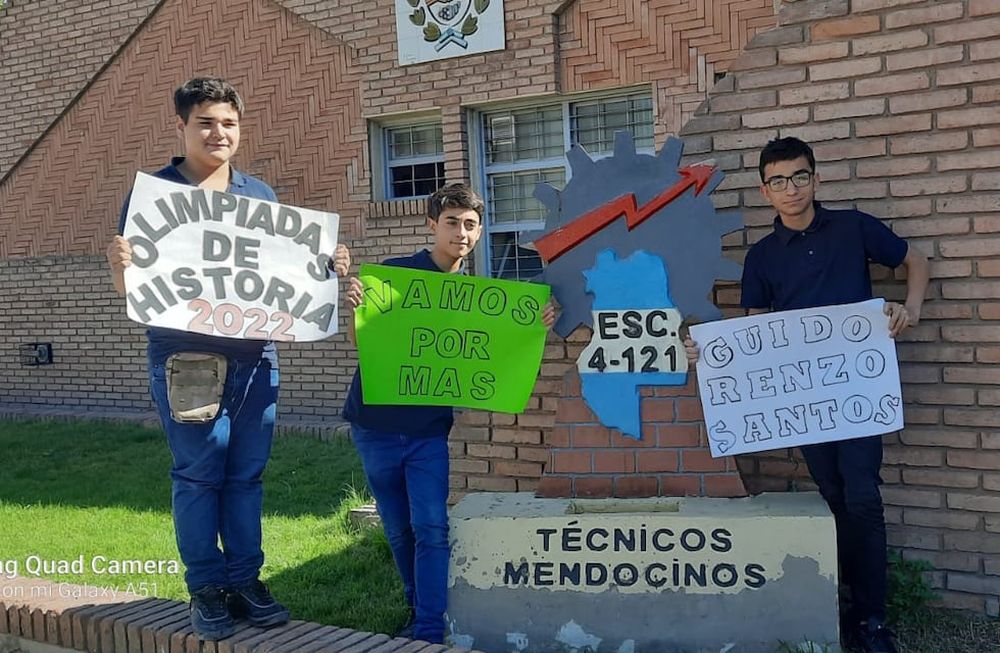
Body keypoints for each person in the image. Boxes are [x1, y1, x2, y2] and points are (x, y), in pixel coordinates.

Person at [105, 77, 350, 640]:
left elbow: (281, 271)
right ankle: (207, 589)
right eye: (206, 122)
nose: (219, 133)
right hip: (185, 355)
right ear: (182, 127)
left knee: (246, 474)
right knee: (199, 472)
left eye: (229, 123)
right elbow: (133, 291)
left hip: (255, 355)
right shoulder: (154, 195)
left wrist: (325, 264)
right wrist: (120, 266)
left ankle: (245, 581)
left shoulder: (259, 196)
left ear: (241, 128)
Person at [685, 137, 929, 653]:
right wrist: (713, 354)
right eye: (778, 181)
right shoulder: (763, 257)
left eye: (799, 177)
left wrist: (911, 308)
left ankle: (873, 621)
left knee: (863, 499)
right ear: (764, 190)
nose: (790, 188)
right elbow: (754, 332)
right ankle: (840, 607)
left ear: (816, 179)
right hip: (805, 405)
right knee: (835, 498)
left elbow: (915, 260)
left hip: (858, 393)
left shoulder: (853, 228)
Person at [341, 183, 555, 643]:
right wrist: (356, 312)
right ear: (432, 226)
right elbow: (361, 346)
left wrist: (535, 326)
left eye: (470, 225)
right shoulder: (395, 277)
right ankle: (415, 601)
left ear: (479, 234)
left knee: (431, 526)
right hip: (375, 425)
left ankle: (428, 627)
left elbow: (494, 354)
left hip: (427, 432)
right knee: (398, 529)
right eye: (452, 222)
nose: (461, 232)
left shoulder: (479, 299)